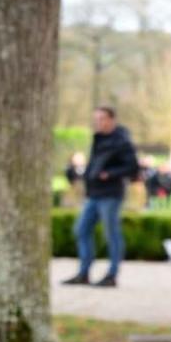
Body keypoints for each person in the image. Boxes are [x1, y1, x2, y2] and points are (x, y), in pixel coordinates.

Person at [63, 106, 140, 288]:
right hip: (94, 193)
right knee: (81, 229)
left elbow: (132, 168)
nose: (98, 123)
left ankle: (112, 274)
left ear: (111, 120)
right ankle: (84, 272)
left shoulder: (122, 141)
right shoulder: (98, 139)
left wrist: (109, 173)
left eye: (102, 119)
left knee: (111, 233)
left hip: (111, 194)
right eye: (96, 119)